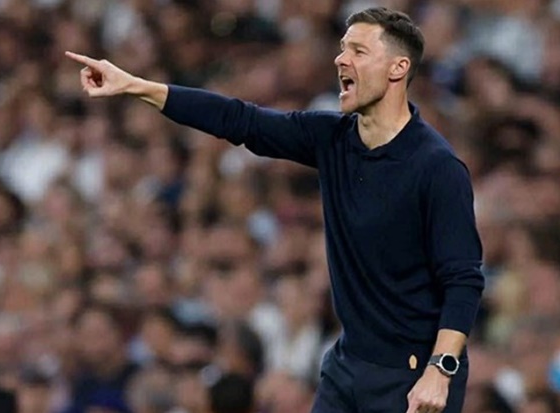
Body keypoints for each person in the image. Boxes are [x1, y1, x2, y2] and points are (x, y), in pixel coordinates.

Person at [66, 6, 484, 413]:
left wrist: (440, 370)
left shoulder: (436, 167)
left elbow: (462, 279)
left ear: (398, 68)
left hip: (413, 372)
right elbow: (240, 120)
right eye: (343, 48)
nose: (341, 59)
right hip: (348, 363)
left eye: (358, 51)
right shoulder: (332, 138)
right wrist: (136, 85)